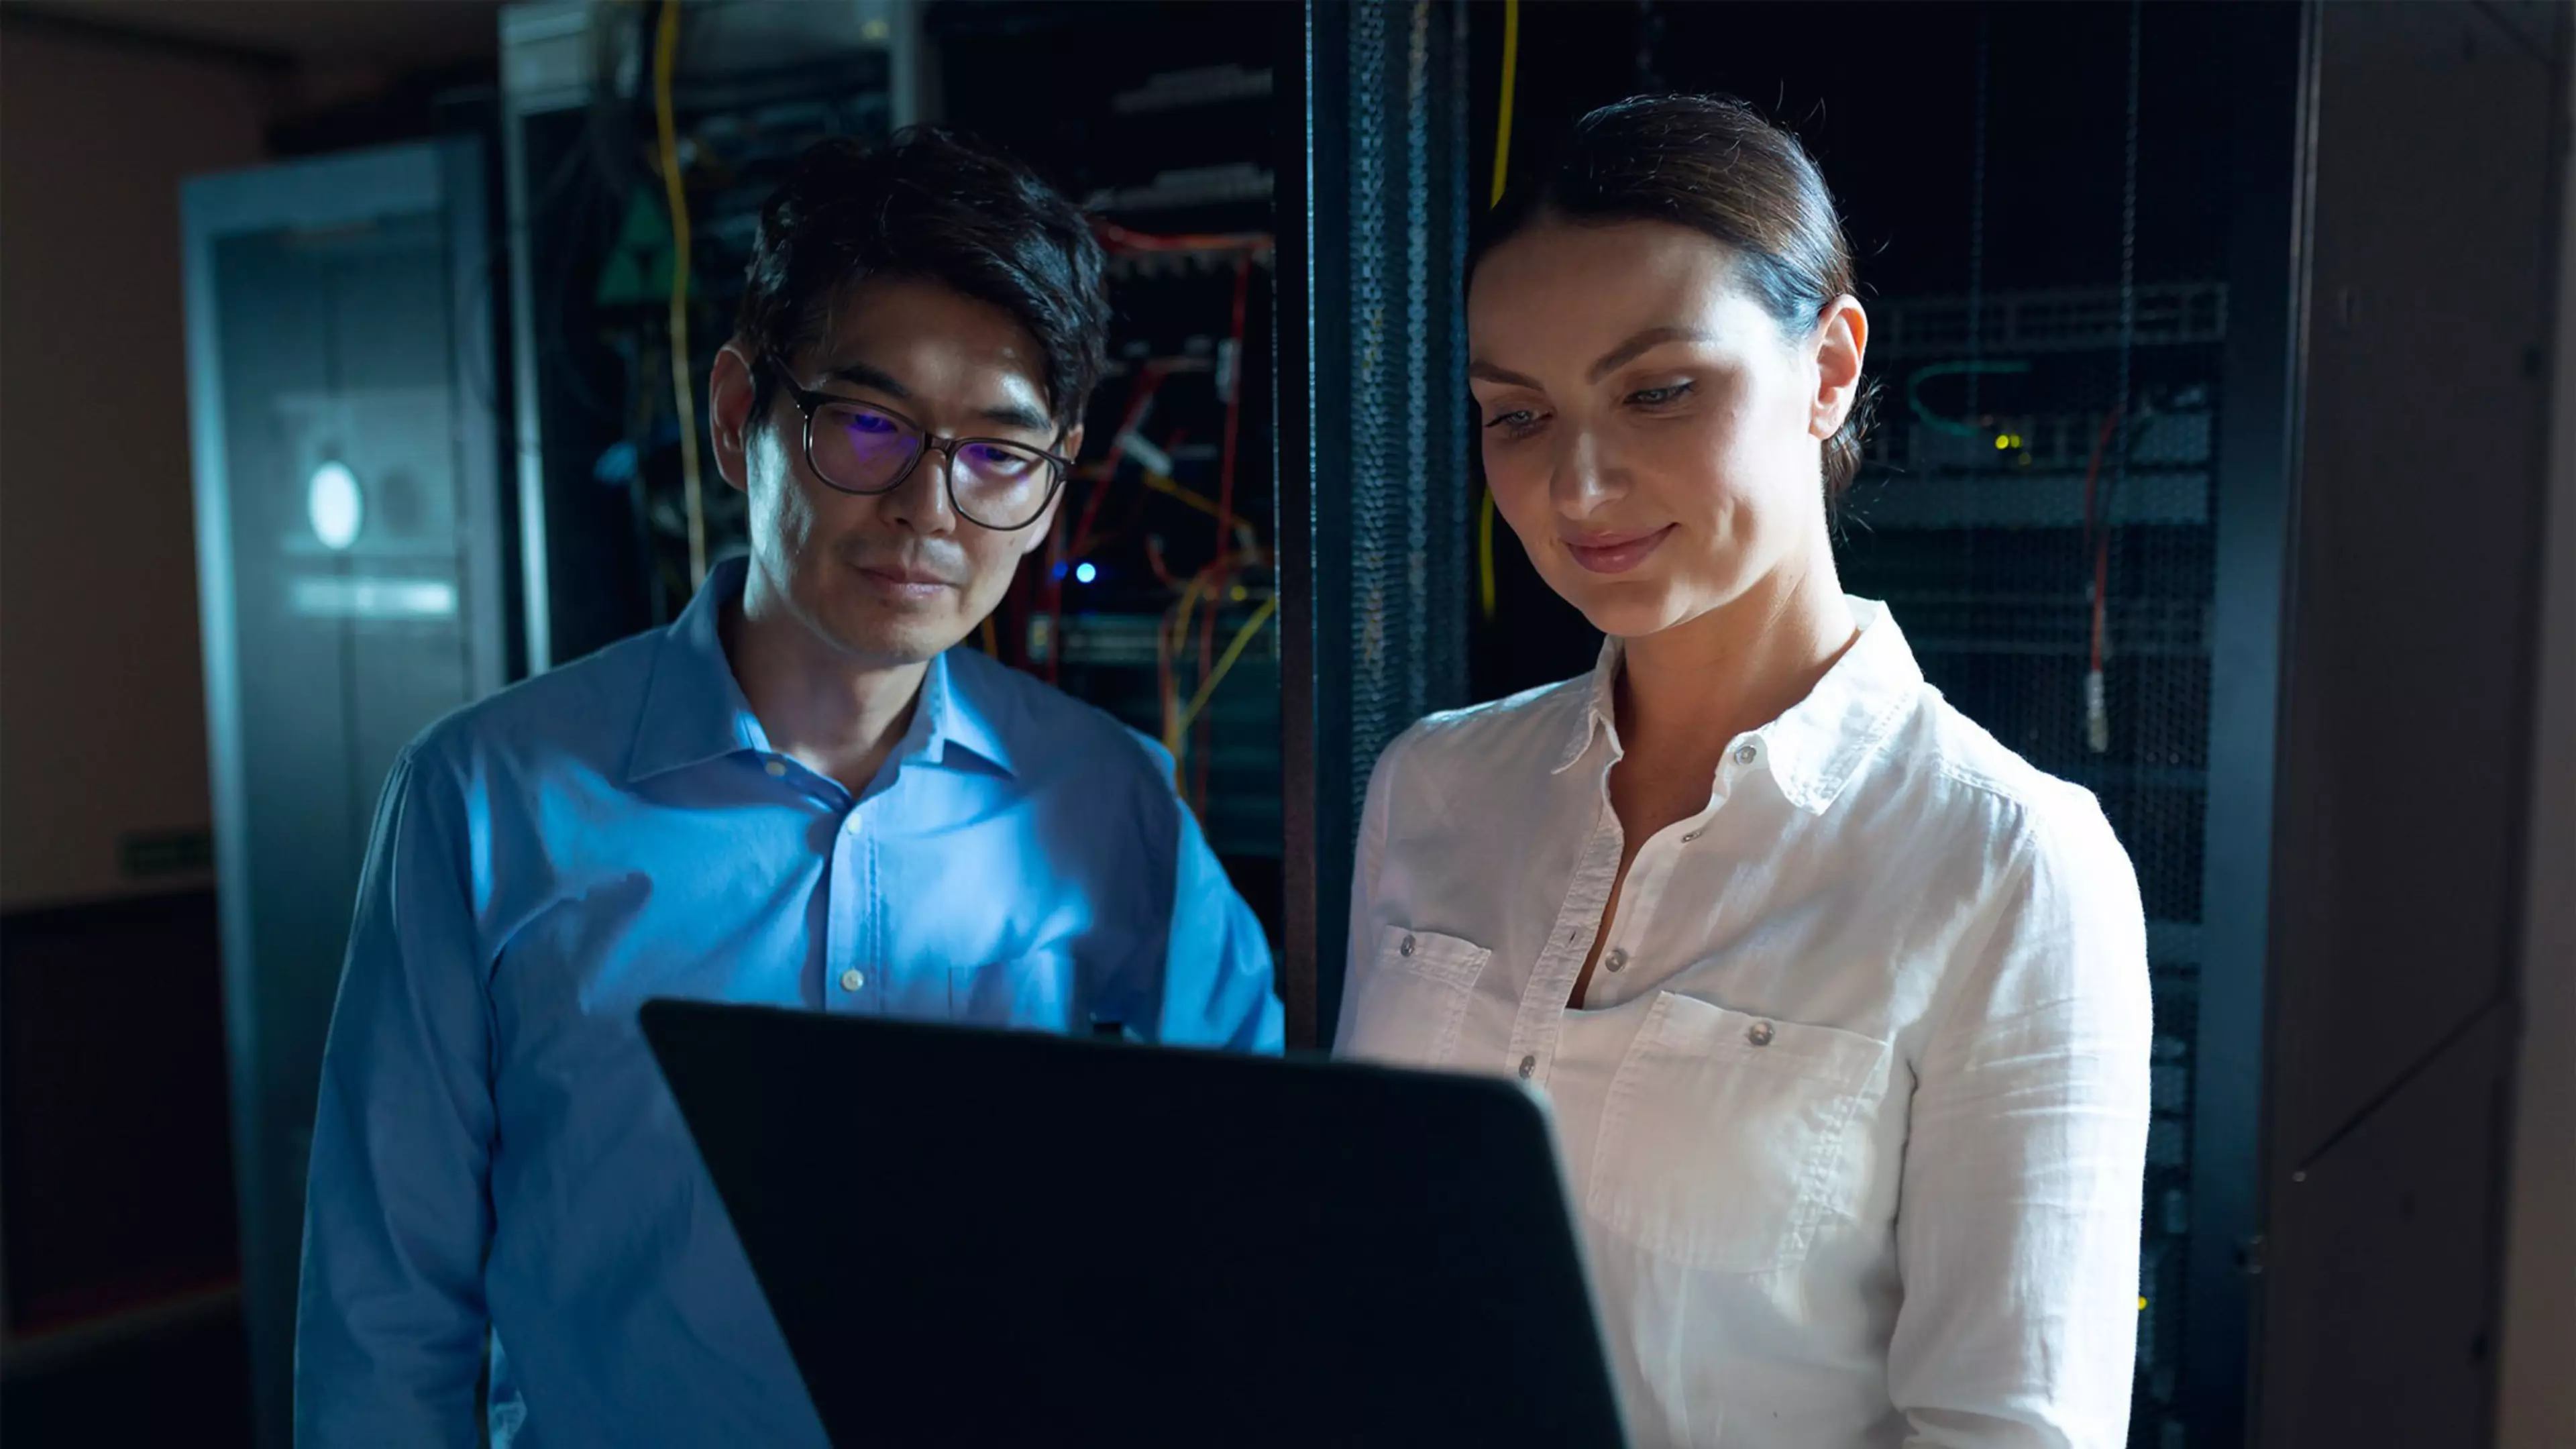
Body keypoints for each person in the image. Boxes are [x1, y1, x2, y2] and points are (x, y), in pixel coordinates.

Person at [297, 129, 1283, 1447]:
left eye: (999, 452)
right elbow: (386, 1321)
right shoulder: (483, 804)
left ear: (1052, 488)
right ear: (734, 413)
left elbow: (1247, 1228)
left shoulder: (1114, 812)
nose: (929, 508)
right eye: (868, 425)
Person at [1338, 94, 2151, 1447]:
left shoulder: (2008, 863)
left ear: (1829, 369)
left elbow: (2011, 1431)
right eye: (1517, 417)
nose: (1578, 486)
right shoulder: (1432, 786)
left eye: (1660, 391)